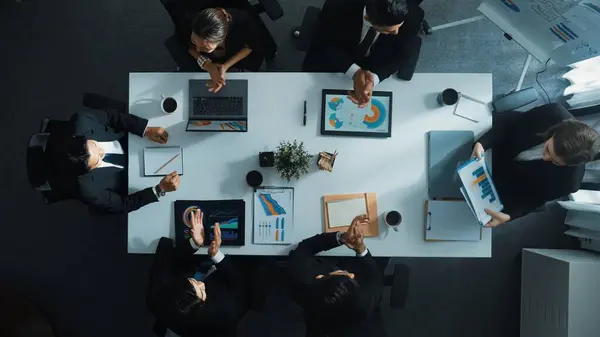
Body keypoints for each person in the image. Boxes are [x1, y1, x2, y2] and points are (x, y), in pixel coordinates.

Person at [472, 103, 599, 227]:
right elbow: (511, 123)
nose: (545, 157)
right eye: (548, 149)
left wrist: (509, 215)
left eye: (555, 162)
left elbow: (534, 199)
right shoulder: (552, 113)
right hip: (496, 140)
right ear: (554, 132)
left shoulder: (568, 183)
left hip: (504, 177)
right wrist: (483, 143)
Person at [46, 102, 180, 213]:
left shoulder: (82, 120)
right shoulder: (86, 189)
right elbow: (122, 205)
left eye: (96, 146)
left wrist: (145, 130)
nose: (102, 152)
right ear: (86, 172)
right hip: (130, 177)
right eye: (97, 160)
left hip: (132, 141)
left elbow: (111, 117)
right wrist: (160, 189)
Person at [302, 0, 422, 106]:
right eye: (387, 30)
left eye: (399, 26)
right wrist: (354, 72)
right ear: (368, 19)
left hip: (376, 64)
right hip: (337, 59)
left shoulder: (414, 14)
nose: (396, 32)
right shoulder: (338, 5)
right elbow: (323, 44)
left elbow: (402, 54)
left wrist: (373, 80)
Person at [147, 210, 246, 337]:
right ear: (201, 304)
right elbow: (238, 283)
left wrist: (194, 243)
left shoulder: (157, 299)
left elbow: (166, 261)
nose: (202, 284)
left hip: (189, 264)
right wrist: (217, 256)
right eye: (201, 291)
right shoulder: (224, 313)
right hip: (223, 276)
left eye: (193, 282)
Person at [288, 215, 383, 337]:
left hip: (318, 320)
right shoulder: (366, 301)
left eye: (345, 274)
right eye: (349, 276)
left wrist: (341, 238)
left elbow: (305, 248)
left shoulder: (302, 279)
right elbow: (375, 278)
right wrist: (361, 249)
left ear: (320, 277)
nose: (352, 274)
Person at [176, 7, 265, 93]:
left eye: (205, 48)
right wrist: (206, 64)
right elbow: (185, 43)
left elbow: (250, 47)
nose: (198, 49)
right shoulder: (190, 22)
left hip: (236, 56)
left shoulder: (242, 23)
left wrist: (225, 66)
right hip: (205, 60)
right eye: (194, 41)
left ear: (222, 39)